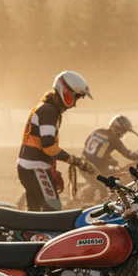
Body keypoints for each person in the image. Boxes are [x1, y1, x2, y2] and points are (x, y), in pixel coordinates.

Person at [17, 71, 95, 211]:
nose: (75, 104)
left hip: (28, 167)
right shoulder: (49, 111)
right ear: (66, 91)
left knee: (34, 211)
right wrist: (74, 161)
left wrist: (51, 168)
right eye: (76, 97)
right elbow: (49, 147)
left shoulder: (45, 107)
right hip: (35, 167)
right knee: (53, 210)